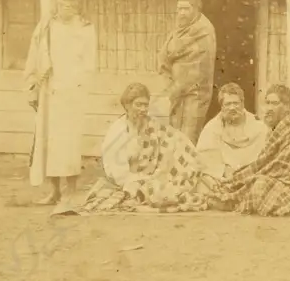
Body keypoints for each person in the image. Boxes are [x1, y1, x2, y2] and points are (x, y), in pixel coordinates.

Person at [81, 82, 210, 214]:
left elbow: (174, 139)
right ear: (127, 105)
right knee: (159, 192)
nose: (143, 109)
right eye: (138, 105)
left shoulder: (151, 124)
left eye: (145, 105)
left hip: (151, 175)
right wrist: (139, 181)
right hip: (127, 179)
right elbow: (117, 173)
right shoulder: (118, 132)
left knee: (180, 176)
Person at [23, 0, 98, 207]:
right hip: (49, 92)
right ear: (56, 1)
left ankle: (70, 191)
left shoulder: (85, 28)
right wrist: (33, 85)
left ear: (78, 2)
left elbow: (89, 64)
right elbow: (34, 57)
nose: (67, 4)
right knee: (49, 142)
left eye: (72, 0)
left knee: (69, 144)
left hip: (72, 95)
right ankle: (54, 191)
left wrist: (77, 86)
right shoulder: (46, 26)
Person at [210, 84, 290, 217]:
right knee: (255, 184)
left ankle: (232, 201)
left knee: (260, 185)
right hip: (280, 183)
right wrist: (238, 178)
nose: (269, 108)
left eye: (275, 103)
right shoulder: (274, 131)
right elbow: (263, 163)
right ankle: (232, 199)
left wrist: (243, 179)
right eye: (268, 103)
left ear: (286, 107)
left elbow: (281, 169)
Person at [158, 0, 216, 144]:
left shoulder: (204, 30)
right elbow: (165, 54)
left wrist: (179, 85)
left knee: (188, 137)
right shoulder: (179, 29)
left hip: (195, 94)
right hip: (176, 91)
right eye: (179, 9)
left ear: (196, 9)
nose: (182, 13)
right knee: (173, 134)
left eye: (186, 9)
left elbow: (197, 65)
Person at [196, 82, 269, 180]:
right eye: (228, 104)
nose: (232, 108)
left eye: (236, 103)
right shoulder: (212, 129)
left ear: (242, 104)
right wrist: (223, 170)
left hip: (253, 177)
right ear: (222, 107)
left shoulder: (259, 127)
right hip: (223, 180)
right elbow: (203, 159)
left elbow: (267, 157)